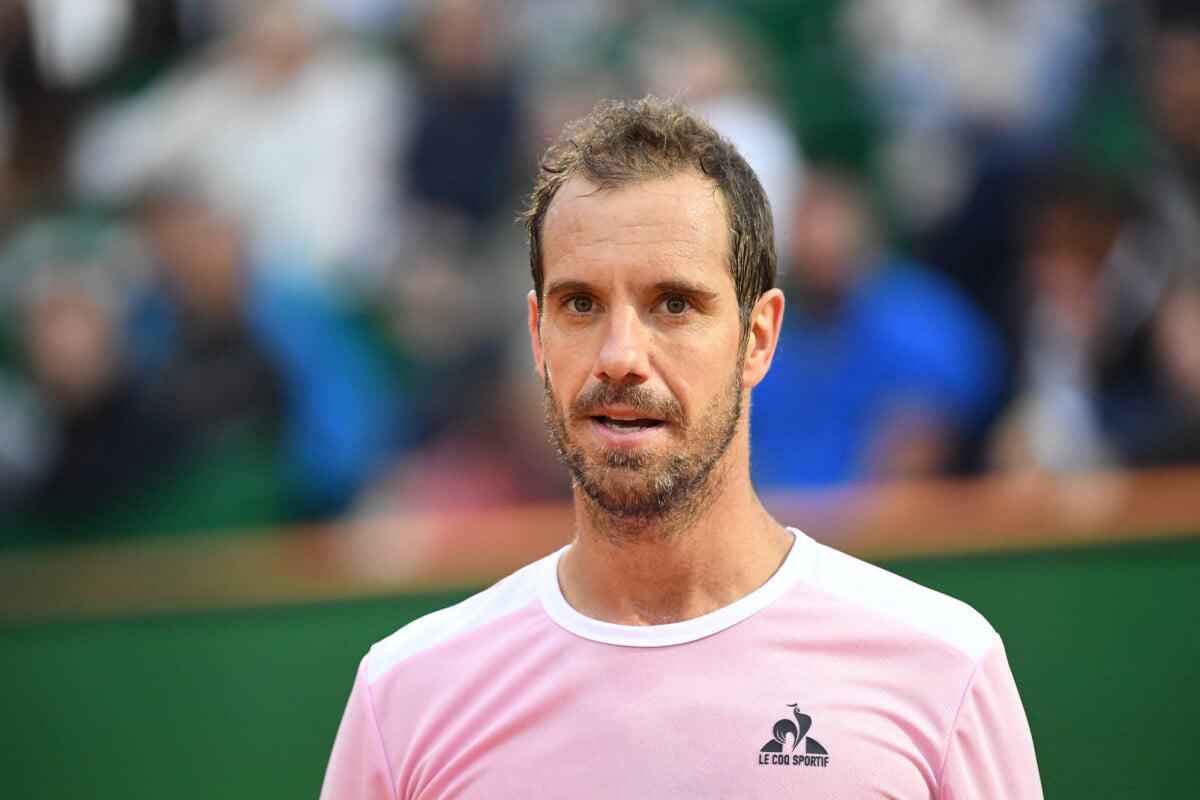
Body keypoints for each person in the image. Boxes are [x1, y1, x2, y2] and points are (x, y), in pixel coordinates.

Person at [320, 96, 1042, 798]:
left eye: (674, 304)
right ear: (538, 337)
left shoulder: (941, 668)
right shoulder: (407, 693)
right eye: (580, 305)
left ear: (757, 337)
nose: (621, 355)